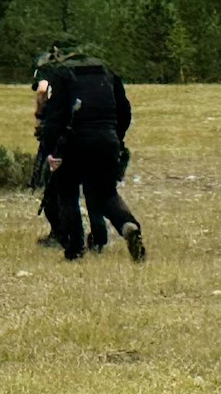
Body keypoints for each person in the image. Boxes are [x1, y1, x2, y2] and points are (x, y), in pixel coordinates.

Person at [35, 38, 145, 262]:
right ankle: (128, 225)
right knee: (106, 194)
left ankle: (75, 249)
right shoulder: (106, 72)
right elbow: (124, 111)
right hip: (107, 139)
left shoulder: (61, 74)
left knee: (67, 193)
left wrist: (50, 150)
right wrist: (116, 138)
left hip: (73, 142)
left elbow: (54, 118)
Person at [29, 44, 109, 252]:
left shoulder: (50, 69)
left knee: (57, 189)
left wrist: (39, 116)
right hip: (92, 132)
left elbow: (42, 89)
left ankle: (65, 237)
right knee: (93, 190)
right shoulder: (86, 72)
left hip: (59, 135)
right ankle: (99, 238)